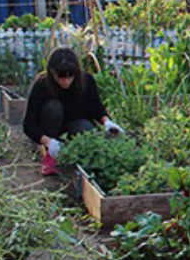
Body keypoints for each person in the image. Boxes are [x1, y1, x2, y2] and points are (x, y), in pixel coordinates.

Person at [23, 47, 124, 175]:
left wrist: (107, 122)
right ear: (52, 73)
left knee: (86, 129)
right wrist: (48, 141)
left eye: (70, 76)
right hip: (51, 128)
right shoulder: (42, 86)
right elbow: (28, 125)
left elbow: (97, 108)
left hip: (74, 124)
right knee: (53, 108)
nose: (65, 81)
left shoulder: (87, 82)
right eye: (60, 77)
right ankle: (50, 155)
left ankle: (78, 157)